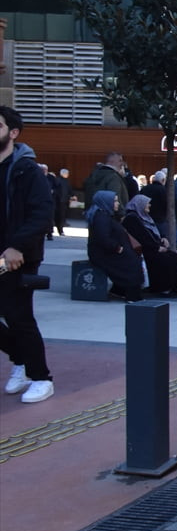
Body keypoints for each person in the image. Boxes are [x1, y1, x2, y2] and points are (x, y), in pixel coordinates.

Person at [0, 106, 55, 404]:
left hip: (17, 255)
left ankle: (41, 377)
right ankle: (20, 358)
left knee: (18, 315)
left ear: (13, 133)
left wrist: (17, 246)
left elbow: (42, 214)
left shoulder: (26, 170)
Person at [123, 194, 177, 296]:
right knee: (164, 259)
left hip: (152, 246)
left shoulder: (143, 216)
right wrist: (157, 247)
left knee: (174, 256)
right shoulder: (132, 218)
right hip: (145, 248)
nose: (149, 205)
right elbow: (142, 236)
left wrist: (162, 237)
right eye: (147, 203)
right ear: (140, 204)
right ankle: (163, 288)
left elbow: (153, 232)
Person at [86, 190, 144, 302]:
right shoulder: (101, 217)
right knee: (131, 264)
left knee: (132, 260)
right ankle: (132, 295)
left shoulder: (104, 214)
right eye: (115, 201)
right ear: (106, 202)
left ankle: (119, 290)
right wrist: (117, 247)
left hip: (109, 251)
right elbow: (103, 238)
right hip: (104, 253)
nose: (118, 204)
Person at [140, 170, 170, 238]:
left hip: (145, 218)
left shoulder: (145, 188)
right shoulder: (164, 190)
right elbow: (166, 204)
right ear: (163, 180)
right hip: (160, 220)